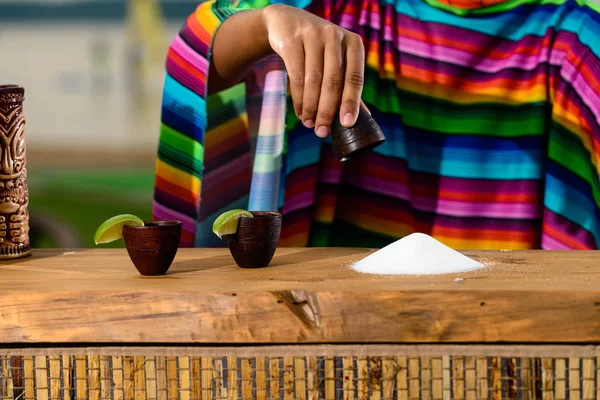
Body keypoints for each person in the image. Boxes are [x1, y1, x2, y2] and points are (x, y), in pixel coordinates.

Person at [153, 0, 600, 250]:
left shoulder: (576, 40)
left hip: (509, 332)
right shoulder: (334, 10)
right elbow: (197, 58)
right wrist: (269, 23)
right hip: (334, 329)